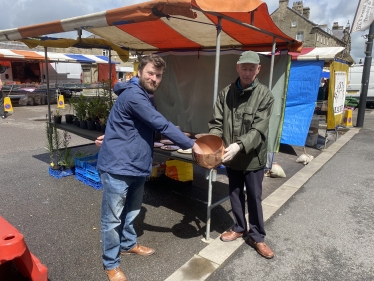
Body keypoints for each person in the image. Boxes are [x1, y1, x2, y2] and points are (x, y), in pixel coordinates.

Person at [95, 54, 202, 281]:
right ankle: (111, 264)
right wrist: (193, 145)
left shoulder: (145, 94)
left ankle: (128, 244)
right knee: (112, 219)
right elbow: (160, 123)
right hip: (118, 166)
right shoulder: (135, 95)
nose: (154, 78)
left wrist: (112, 134)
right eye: (150, 73)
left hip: (136, 165)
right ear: (140, 71)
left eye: (158, 75)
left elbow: (135, 124)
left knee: (132, 210)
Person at [207, 51, 275, 259]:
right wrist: (215, 144)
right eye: (244, 68)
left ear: (258, 70)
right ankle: (239, 227)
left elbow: (259, 129)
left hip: (252, 156)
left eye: (251, 69)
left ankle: (257, 236)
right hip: (230, 155)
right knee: (235, 192)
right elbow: (217, 123)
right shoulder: (225, 93)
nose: (247, 73)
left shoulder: (265, 95)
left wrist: (239, 145)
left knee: (254, 196)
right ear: (237, 68)